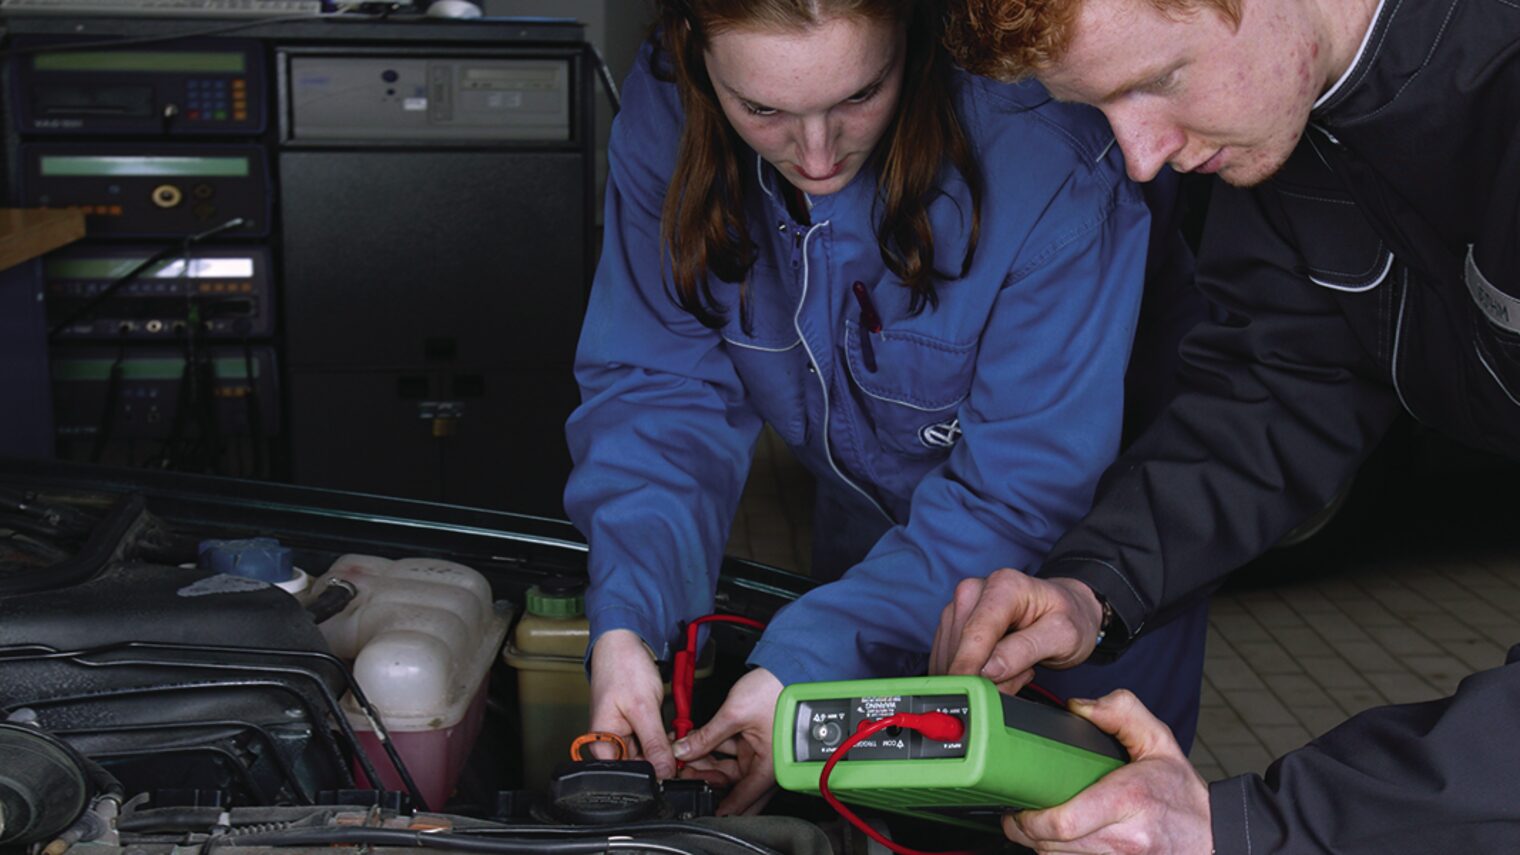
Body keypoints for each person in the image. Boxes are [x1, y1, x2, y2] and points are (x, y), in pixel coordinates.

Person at [563, 0, 1207, 816]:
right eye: (763, 110)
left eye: (860, 95)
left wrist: (806, 660)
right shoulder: (670, 107)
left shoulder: (1045, 150)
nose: (820, 153)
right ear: (694, 51)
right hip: (868, 546)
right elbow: (659, 393)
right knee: (852, 811)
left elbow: (1025, 486)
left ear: (911, 32)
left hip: (1072, 572)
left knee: (1078, 824)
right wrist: (630, 623)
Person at [928, 0, 1520, 849]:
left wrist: (1247, 827)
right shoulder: (1293, 119)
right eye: (1100, 107)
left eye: (1160, 80)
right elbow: (1278, 387)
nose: (1140, 158)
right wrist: (1092, 587)